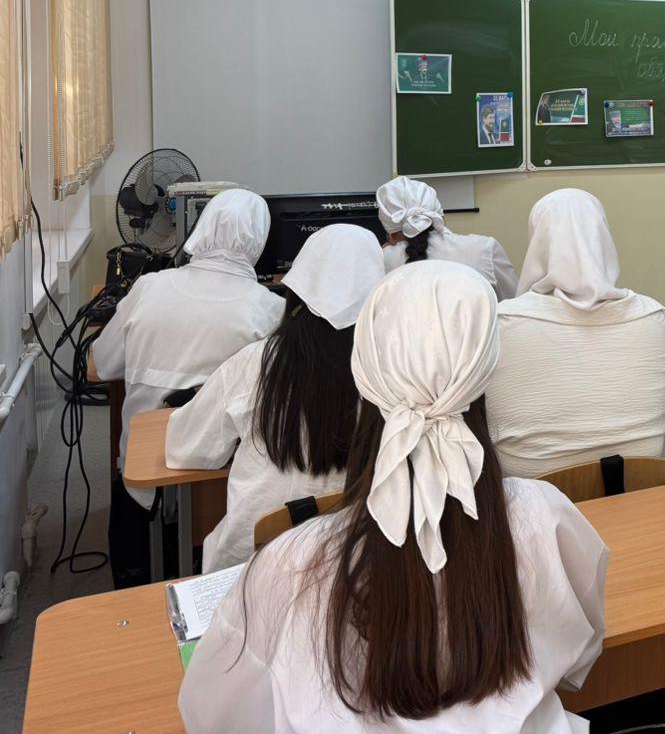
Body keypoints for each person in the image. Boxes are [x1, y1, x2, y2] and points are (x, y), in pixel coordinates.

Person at [179, 261, 609, 733]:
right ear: (486, 373)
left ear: (362, 379)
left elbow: (213, 714)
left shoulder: (288, 568)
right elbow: (580, 655)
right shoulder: (545, 516)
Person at [164, 225, 385, 570]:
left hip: (253, 563)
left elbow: (186, 449)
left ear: (297, 288)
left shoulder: (257, 362)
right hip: (357, 563)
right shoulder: (395, 370)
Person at [95, 188, 285, 585]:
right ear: (261, 240)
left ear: (202, 227)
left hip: (141, 485)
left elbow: (105, 364)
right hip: (222, 490)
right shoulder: (270, 309)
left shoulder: (149, 288)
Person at [487, 189, 665, 479]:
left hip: (531, 492)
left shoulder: (501, 322)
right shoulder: (651, 316)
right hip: (636, 483)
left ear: (538, 243)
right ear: (603, 239)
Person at [376, 175, 517, 299]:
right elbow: (513, 304)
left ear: (389, 231)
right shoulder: (484, 248)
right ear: (439, 214)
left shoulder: (381, 260)